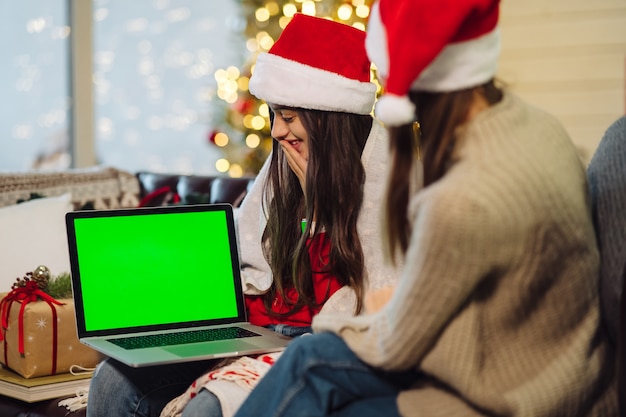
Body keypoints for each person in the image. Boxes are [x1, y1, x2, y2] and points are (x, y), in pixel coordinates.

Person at [232, 1, 618, 416]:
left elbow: (396, 343)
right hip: (564, 366)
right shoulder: (540, 127)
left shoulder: (458, 195)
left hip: (507, 393)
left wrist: (346, 319)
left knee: (309, 363)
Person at [86, 13, 398, 417]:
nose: (277, 131)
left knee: (207, 408)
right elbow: (246, 254)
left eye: (288, 118)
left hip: (310, 347)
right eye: (275, 116)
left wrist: (324, 209)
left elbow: (368, 304)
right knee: (112, 381)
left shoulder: (385, 180)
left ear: (328, 120)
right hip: (258, 332)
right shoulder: (285, 164)